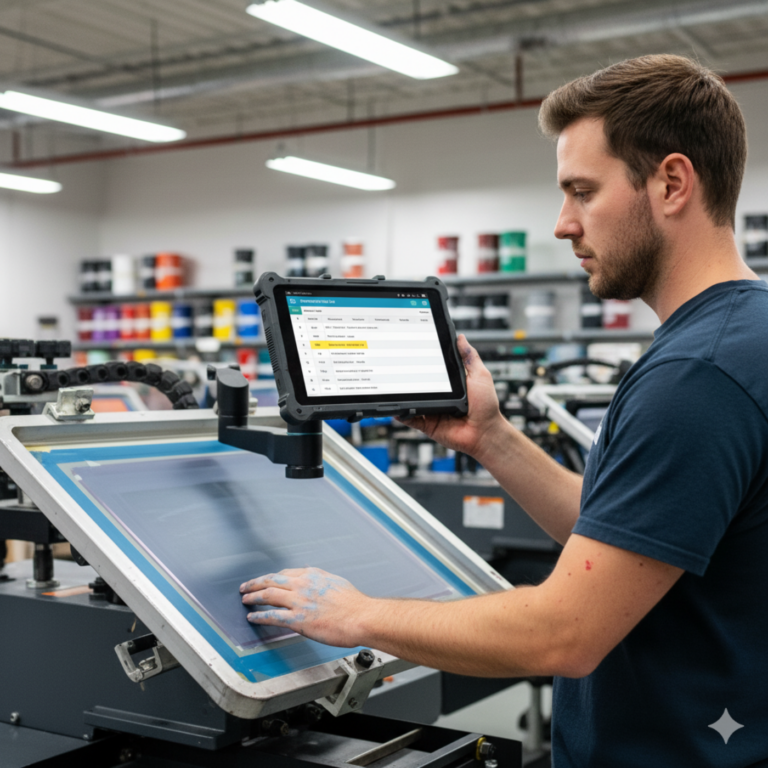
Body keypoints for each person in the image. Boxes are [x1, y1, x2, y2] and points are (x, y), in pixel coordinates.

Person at [241, 55, 768, 766]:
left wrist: (354, 614)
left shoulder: (693, 378)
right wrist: (492, 439)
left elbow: (563, 634)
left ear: (672, 182)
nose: (562, 224)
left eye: (582, 191)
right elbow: (641, 534)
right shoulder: (744, 335)